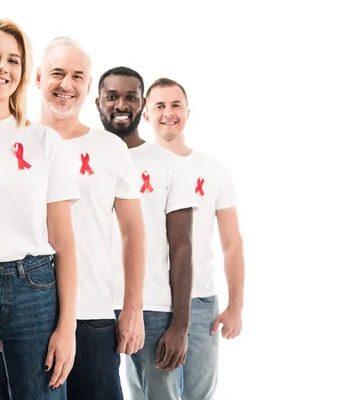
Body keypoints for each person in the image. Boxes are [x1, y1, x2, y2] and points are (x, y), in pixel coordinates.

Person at [0, 20, 80, 399]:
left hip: (34, 288)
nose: (2, 67)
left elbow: (63, 238)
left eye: (14, 60)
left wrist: (67, 327)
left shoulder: (43, 139)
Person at [37, 37, 146, 400]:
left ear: (88, 86)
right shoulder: (18, 141)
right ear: (38, 78)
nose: (66, 84)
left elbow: (133, 232)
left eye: (77, 76)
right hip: (27, 315)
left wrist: (132, 309)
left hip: (93, 313)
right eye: (57, 73)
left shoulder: (110, 148)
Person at [96, 66, 198, 400]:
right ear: (98, 102)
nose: (121, 104)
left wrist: (180, 325)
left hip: (154, 308)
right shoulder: (84, 155)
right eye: (112, 96)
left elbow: (182, 247)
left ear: (143, 105)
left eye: (131, 97)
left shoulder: (171, 165)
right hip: (90, 304)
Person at [144, 77, 245, 400]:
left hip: (200, 303)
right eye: (159, 105)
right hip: (149, 301)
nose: (168, 113)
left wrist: (235, 307)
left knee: (198, 395)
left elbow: (232, 243)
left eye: (175, 105)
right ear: (146, 114)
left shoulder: (212, 170)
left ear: (188, 111)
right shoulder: (131, 166)